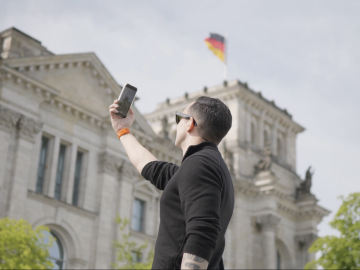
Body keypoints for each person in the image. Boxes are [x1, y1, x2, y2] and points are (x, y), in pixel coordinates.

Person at [109, 96, 234, 270]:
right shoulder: (208, 166)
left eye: (178, 118)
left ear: (190, 123)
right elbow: (153, 169)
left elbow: (203, 232)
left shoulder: (200, 164)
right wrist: (122, 130)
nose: (176, 125)